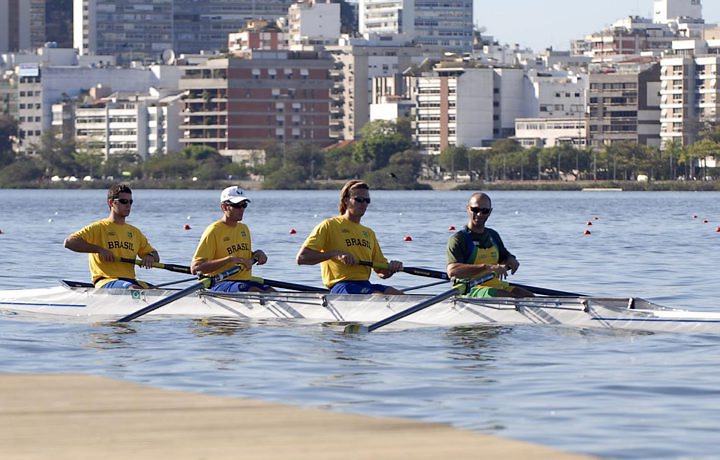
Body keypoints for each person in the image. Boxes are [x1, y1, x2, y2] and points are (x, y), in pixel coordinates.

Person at [296, 180, 403, 294]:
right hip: (341, 286)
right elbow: (302, 258)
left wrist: (392, 268)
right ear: (346, 200)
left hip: (365, 285)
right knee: (377, 296)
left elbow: (382, 272)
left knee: (398, 295)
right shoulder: (329, 225)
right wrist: (334, 254)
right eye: (359, 200)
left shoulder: (369, 233)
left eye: (367, 200)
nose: (364, 204)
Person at [64, 183, 159, 289]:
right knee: (133, 289)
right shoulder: (98, 228)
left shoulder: (135, 232)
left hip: (131, 280)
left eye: (130, 202)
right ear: (111, 203)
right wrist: (100, 250)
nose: (128, 205)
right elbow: (69, 242)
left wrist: (150, 257)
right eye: (123, 201)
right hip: (106, 280)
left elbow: (155, 255)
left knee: (161, 292)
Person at [446, 192, 534, 298]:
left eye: (485, 211)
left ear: (490, 212)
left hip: (494, 285)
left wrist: (511, 259)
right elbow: (452, 271)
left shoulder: (493, 235)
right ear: (468, 208)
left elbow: (505, 256)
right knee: (506, 297)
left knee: (528, 296)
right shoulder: (458, 239)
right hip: (468, 288)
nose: (479, 214)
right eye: (475, 210)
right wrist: (486, 267)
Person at [191, 186, 272, 292]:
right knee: (255, 291)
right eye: (237, 205)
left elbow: (240, 255)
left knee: (272, 291)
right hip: (219, 283)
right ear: (224, 207)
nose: (242, 209)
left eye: (244, 205)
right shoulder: (213, 230)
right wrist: (229, 260)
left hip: (244, 282)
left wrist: (257, 254)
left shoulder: (244, 229)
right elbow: (196, 268)